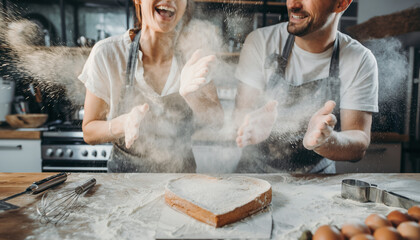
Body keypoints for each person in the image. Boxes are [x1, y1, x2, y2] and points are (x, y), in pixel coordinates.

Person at [234, 0, 378, 173]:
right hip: (254, 173)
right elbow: (239, 117)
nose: (293, 4)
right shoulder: (261, 42)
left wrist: (327, 141)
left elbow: (359, 142)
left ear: (341, 3)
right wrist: (250, 125)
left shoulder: (359, 60)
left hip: (317, 179)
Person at [79, 0, 223, 173]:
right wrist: (123, 123)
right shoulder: (108, 54)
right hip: (125, 187)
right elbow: (89, 131)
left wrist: (192, 95)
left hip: (182, 185)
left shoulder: (194, 56)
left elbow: (217, 122)